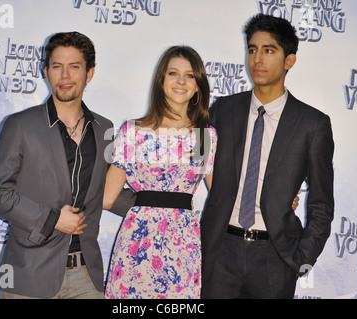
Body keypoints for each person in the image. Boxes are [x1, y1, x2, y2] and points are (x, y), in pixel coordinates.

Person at [0, 31, 132, 299]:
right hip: (28, 274)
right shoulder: (20, 125)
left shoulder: (105, 129)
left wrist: (164, 206)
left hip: (87, 275)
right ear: (46, 71)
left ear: (90, 73)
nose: (65, 76)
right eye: (57, 67)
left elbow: (108, 193)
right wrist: (52, 220)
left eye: (74, 67)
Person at [200, 14, 335, 299]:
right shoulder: (223, 110)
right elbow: (200, 166)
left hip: (275, 257)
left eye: (269, 50)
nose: (257, 59)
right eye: (252, 49)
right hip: (220, 249)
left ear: (289, 61)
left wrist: (300, 261)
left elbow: (322, 205)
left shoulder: (312, 124)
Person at [103, 46, 217, 299]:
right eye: (173, 73)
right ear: (161, 81)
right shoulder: (133, 132)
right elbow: (107, 198)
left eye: (189, 75)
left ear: (198, 85)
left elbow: (223, 196)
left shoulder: (203, 136)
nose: (180, 81)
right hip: (136, 241)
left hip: (182, 245)